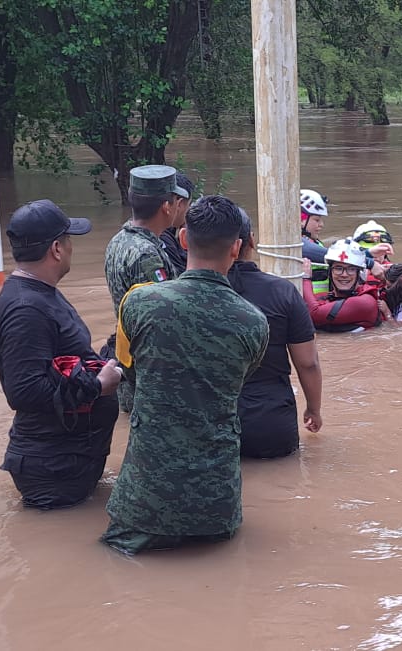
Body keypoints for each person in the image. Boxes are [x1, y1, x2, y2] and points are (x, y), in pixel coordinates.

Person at [102, 195, 269, 555]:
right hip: (216, 506)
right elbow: (236, 382)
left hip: (142, 503)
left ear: (181, 240)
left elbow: (128, 373)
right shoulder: (254, 323)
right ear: (237, 248)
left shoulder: (138, 303)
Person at [0, 199, 124, 510]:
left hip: (68, 460)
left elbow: (63, 361)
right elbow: (24, 392)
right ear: (56, 249)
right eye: (68, 240)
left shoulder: (40, 293)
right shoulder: (26, 309)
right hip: (54, 468)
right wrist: (98, 387)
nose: (70, 248)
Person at [227, 208, 324, 458]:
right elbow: (308, 363)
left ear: (186, 240)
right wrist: (314, 409)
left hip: (207, 426)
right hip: (269, 421)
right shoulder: (282, 292)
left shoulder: (174, 296)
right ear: (250, 240)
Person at [103, 164, 189, 409]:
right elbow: (159, 324)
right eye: (175, 200)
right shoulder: (147, 255)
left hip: (128, 361)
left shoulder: (120, 239)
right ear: (166, 206)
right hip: (145, 378)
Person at [303, 237, 389, 332]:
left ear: (359, 273)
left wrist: (305, 278)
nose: (344, 274)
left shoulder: (365, 302)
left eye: (351, 269)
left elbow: (313, 314)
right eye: (338, 268)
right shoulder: (322, 297)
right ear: (330, 272)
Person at [159, 172, 196, 276]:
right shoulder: (161, 238)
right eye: (188, 205)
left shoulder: (129, 231)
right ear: (179, 204)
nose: (189, 210)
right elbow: (183, 278)